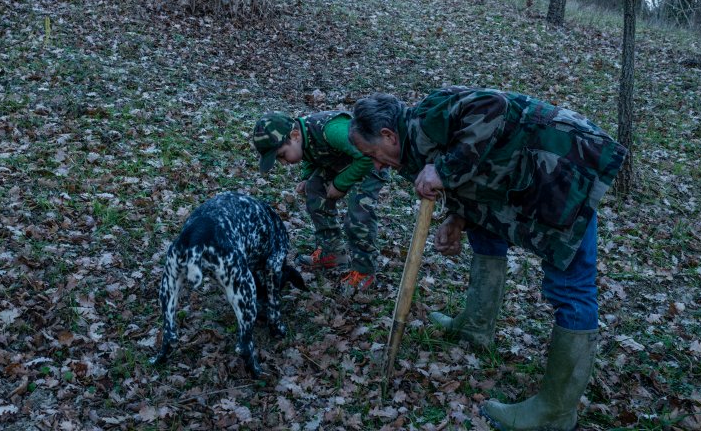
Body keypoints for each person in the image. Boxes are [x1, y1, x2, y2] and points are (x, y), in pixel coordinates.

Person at [349, 86, 626, 431]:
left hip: (565, 166)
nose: (376, 164)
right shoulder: (412, 148)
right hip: (525, 174)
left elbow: (493, 106)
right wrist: (456, 217)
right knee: (484, 232)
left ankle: (556, 413)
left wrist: (445, 172)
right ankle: (476, 327)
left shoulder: (428, 117)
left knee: (570, 285)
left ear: (388, 135)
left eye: (373, 153)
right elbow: (476, 166)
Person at [252, 111, 389, 292]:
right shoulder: (302, 138)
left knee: (358, 214)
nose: (283, 163)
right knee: (314, 189)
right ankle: (332, 252)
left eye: (282, 155)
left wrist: (340, 185)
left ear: (294, 135)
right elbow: (311, 154)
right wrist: (307, 177)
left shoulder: (331, 130)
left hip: (371, 161)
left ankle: (364, 271)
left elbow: (366, 157)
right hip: (343, 160)